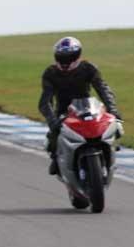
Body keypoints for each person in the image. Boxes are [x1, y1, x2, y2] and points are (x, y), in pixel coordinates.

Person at [39, 37, 121, 175]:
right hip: (64, 112)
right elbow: (44, 102)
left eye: (69, 57)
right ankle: (56, 159)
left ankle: (110, 150)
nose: (65, 61)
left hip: (88, 108)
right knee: (53, 136)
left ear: (78, 56)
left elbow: (103, 89)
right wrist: (52, 121)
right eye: (61, 57)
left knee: (116, 126)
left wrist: (112, 109)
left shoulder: (88, 68)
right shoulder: (50, 73)